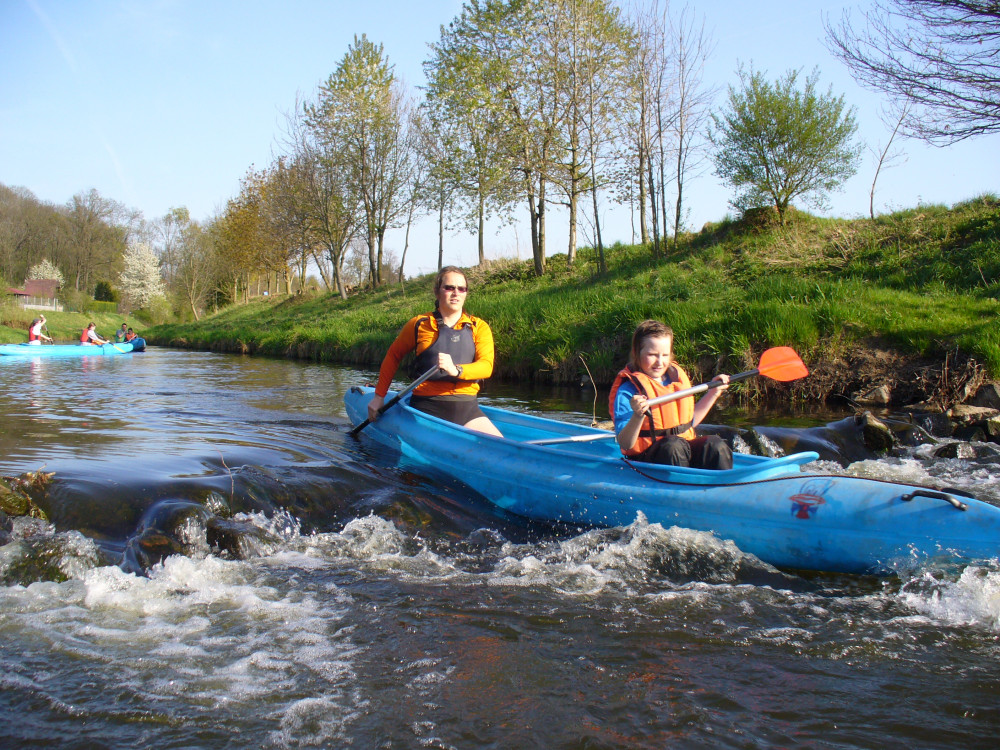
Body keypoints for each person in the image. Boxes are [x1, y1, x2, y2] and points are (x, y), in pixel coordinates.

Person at [367, 266, 503, 437]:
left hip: (467, 409)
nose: (456, 293)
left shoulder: (479, 327)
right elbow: (394, 356)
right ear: (437, 291)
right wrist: (379, 396)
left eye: (461, 289)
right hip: (426, 407)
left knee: (503, 446)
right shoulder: (420, 324)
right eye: (449, 287)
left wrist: (456, 369)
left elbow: (486, 366)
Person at [610, 319, 733, 470]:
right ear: (636, 353)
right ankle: (679, 484)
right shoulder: (628, 390)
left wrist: (713, 393)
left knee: (715, 445)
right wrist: (638, 415)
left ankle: (724, 482)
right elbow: (625, 443)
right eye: (652, 355)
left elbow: (689, 422)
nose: (659, 362)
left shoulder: (676, 380)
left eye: (665, 355)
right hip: (649, 459)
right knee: (673, 446)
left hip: (681, 450)